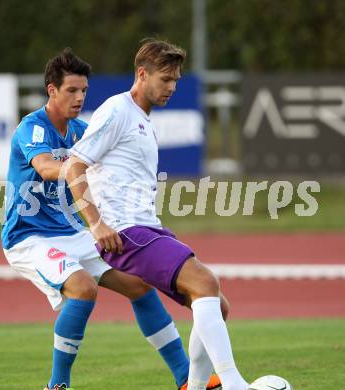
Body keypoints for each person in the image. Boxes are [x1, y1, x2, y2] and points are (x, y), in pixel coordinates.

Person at [1, 48, 223, 390]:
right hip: (29, 237)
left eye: (84, 91)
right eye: (71, 90)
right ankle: (57, 385)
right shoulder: (33, 128)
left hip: (71, 231)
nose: (79, 97)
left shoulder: (81, 130)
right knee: (82, 288)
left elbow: (109, 168)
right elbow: (46, 168)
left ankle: (185, 378)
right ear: (51, 90)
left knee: (140, 286)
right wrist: (79, 166)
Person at [67, 39, 249, 390]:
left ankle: (194, 386)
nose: (172, 87)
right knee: (205, 282)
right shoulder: (117, 110)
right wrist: (96, 223)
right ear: (142, 74)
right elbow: (75, 166)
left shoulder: (145, 121)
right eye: (165, 79)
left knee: (215, 305)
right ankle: (234, 383)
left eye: (176, 80)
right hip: (124, 230)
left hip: (147, 227)